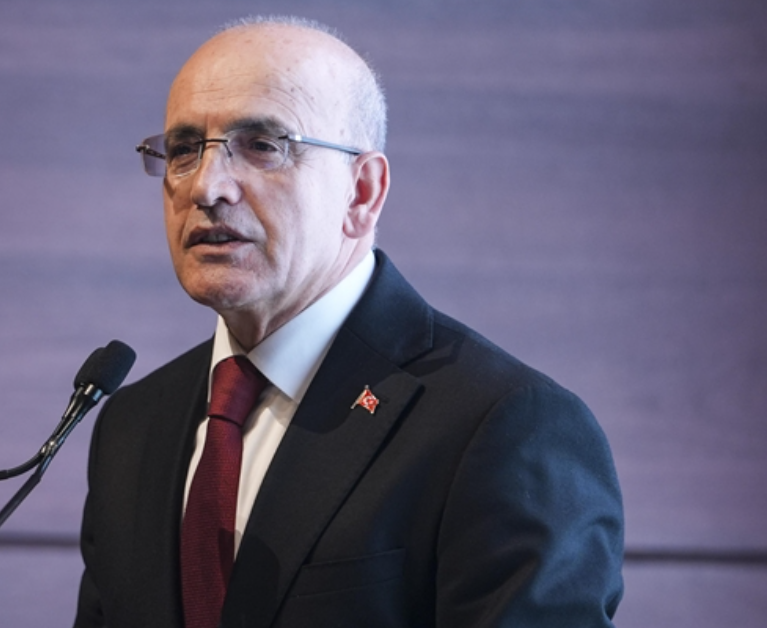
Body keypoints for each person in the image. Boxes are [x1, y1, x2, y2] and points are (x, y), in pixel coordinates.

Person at [73, 15, 624, 628]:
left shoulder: (503, 426)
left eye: (262, 146)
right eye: (182, 150)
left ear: (362, 193)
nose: (207, 186)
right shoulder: (132, 426)